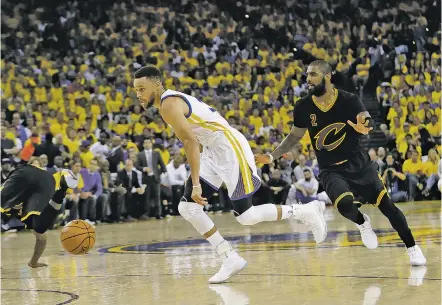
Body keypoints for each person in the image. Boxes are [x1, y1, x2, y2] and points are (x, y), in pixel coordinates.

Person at [133, 65, 326, 284]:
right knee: (187, 207)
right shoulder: (166, 104)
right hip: (212, 149)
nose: (139, 94)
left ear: (157, 85)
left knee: (246, 216)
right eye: (136, 90)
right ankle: (228, 257)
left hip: (227, 146)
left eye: (142, 88)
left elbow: (190, 142)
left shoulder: (168, 104)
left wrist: (196, 184)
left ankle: (305, 211)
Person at [255, 60, 426, 266]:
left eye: (313, 75)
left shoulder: (349, 100)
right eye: (307, 75)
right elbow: (293, 137)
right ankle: (363, 222)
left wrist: (366, 127)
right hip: (330, 169)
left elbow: (367, 119)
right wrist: (271, 156)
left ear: (327, 76)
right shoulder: (303, 106)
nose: (308, 79)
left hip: (358, 163)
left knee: (387, 206)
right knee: (344, 205)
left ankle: (412, 247)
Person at [1, 163, 79, 267]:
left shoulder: (48, 179)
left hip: (24, 172)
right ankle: (33, 262)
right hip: (28, 177)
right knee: (41, 233)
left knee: (41, 235)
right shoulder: (51, 187)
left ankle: (33, 262)